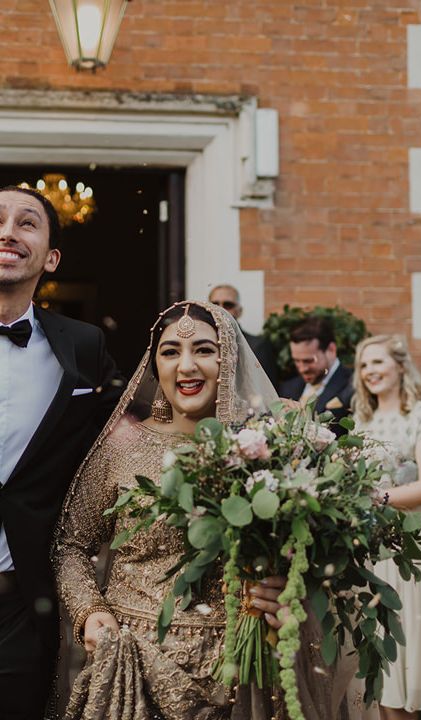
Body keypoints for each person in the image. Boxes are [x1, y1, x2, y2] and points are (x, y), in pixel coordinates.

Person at [54, 300, 355, 720]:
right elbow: (70, 544)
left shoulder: (268, 450)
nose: (187, 366)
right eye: (171, 351)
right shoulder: (122, 449)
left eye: (204, 350)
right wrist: (91, 611)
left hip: (243, 672)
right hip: (131, 670)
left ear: (228, 358)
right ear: (154, 364)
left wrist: (286, 587)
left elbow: (314, 553)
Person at [0, 185, 123, 720]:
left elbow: (124, 443)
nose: (8, 231)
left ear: (50, 257)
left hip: (23, 596)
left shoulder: (83, 346)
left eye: (27, 223)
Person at [353, 334, 421, 720]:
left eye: (377, 362)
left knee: (404, 657)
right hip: (368, 553)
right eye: (363, 365)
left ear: (400, 366)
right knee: (376, 662)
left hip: (406, 550)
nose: (369, 371)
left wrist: (378, 498)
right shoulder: (361, 421)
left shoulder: (419, 417)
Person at [279, 317, 353, 434]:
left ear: (331, 350)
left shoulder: (353, 384)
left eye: (309, 361)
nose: (302, 368)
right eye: (297, 361)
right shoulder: (288, 387)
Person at [208, 284, 279, 388]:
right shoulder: (198, 345)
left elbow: (268, 390)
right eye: (215, 304)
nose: (221, 309)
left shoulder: (258, 346)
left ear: (239, 311)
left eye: (228, 305)